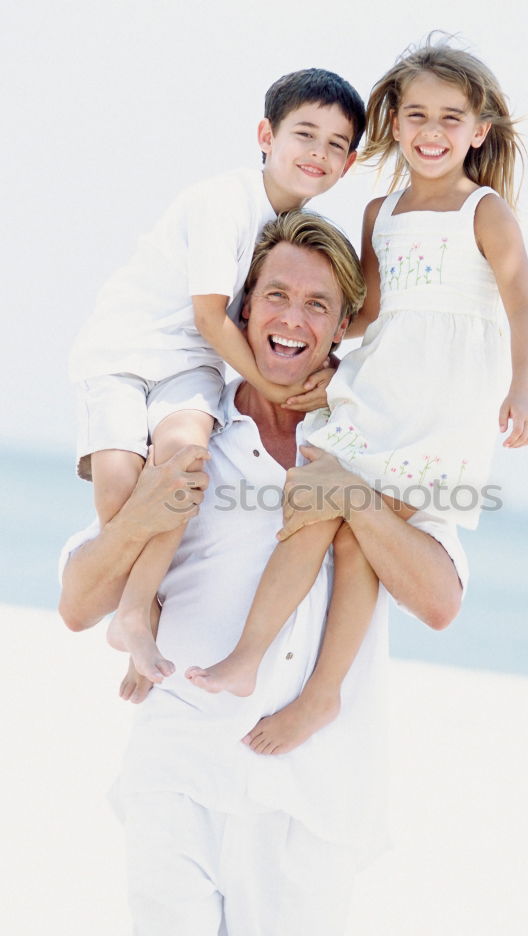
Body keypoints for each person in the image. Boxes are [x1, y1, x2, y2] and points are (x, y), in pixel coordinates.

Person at [59, 211, 469, 936]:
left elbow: (440, 600)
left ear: (345, 324)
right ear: (242, 308)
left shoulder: (375, 439)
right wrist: (144, 511)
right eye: (275, 295)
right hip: (177, 763)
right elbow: (78, 603)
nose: (291, 319)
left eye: (317, 304)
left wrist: (353, 495)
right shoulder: (186, 429)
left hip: (310, 796)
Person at [184, 37, 528, 756]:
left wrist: (524, 393)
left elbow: (524, 307)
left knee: (358, 541)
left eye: (450, 118)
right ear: (394, 123)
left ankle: (322, 695)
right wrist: (322, 360)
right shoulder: (382, 211)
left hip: (440, 415)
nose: (432, 132)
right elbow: (371, 313)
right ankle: (248, 656)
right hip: (376, 394)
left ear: (479, 131)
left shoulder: (486, 212)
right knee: (312, 505)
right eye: (416, 115)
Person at [69, 67, 365, 696]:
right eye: (304, 134)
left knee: (185, 460)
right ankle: (138, 611)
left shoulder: (280, 235)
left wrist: (331, 368)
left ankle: (137, 613)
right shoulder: (224, 202)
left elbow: (329, 316)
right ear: (265, 134)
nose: (317, 153)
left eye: (335, 144)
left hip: (192, 363)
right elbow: (211, 314)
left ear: (350, 161)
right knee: (123, 485)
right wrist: (277, 387)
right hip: (125, 353)